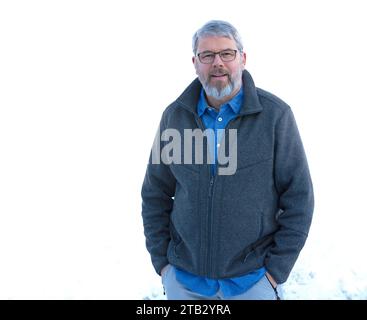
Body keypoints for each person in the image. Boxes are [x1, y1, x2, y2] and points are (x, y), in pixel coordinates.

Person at [141, 20, 314, 300]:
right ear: (195, 62)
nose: (217, 62)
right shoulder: (175, 118)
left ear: (242, 59)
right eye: (207, 55)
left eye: (227, 53)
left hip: (253, 282)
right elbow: (155, 193)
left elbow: (299, 197)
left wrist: (275, 271)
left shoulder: (275, 117)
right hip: (185, 283)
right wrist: (163, 265)